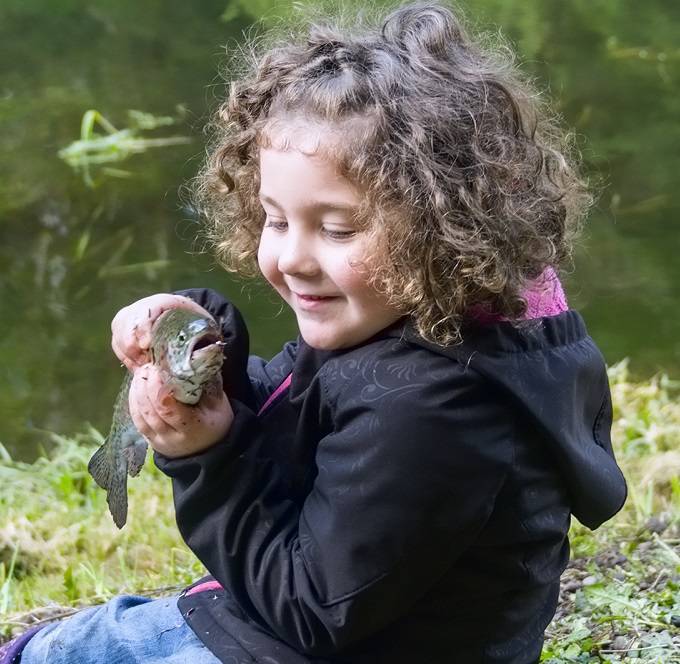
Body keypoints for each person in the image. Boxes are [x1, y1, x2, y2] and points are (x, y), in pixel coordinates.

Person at [7, 1, 627, 662]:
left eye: (335, 228)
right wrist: (194, 327)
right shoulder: (409, 318)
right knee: (53, 648)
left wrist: (207, 456)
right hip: (273, 618)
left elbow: (312, 609)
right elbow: (291, 409)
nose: (293, 258)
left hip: (326, 642)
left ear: (440, 225)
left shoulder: (439, 409)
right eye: (275, 219)